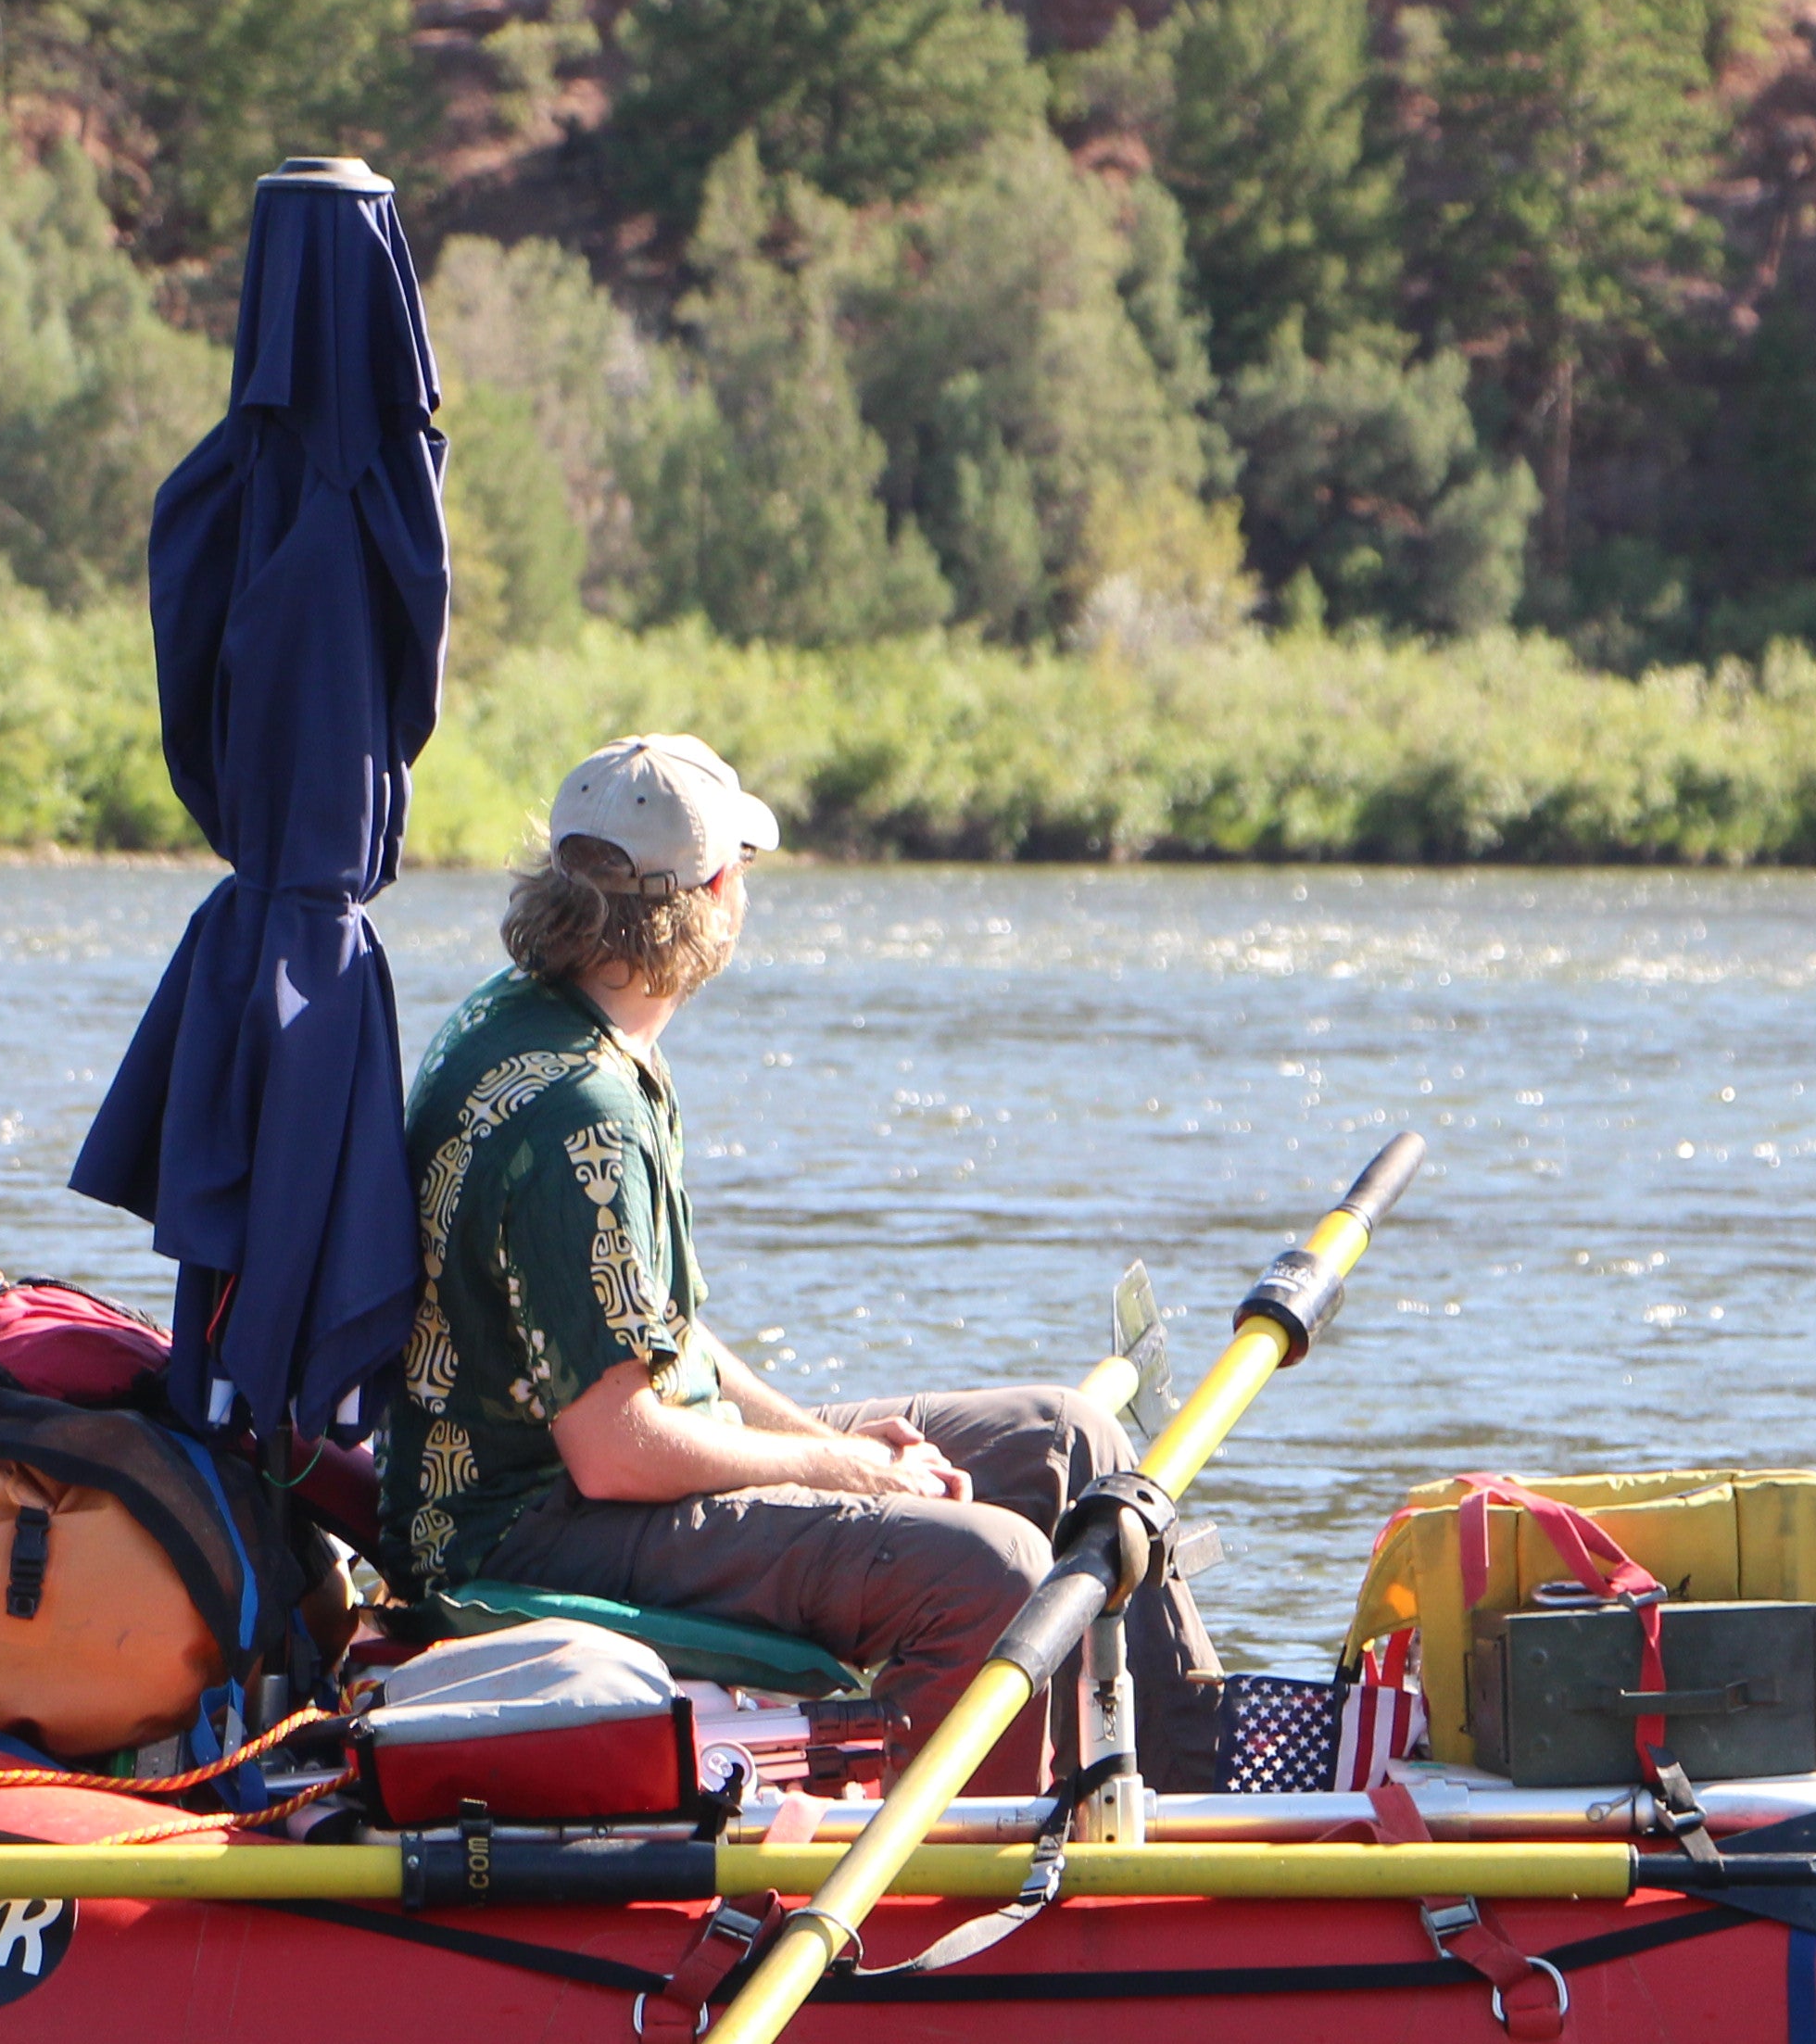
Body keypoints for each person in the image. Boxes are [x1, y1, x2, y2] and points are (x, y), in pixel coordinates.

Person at [383, 734, 1214, 1787]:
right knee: (989, 1570)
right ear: (715, 892)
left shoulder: (557, 1019)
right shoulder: (581, 1109)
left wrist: (820, 1438)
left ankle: (1195, 1795)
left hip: (595, 1474)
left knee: (1071, 1441)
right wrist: (845, 1467)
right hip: (528, 1530)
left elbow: (655, 1329)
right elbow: (615, 1449)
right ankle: (967, 1881)